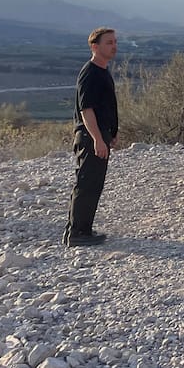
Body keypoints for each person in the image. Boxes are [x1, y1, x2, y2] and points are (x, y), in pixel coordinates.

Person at [63, 26, 120, 247]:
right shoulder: (90, 73)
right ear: (95, 47)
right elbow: (86, 110)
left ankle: (80, 229)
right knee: (87, 183)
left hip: (99, 135)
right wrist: (97, 138)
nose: (114, 46)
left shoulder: (102, 71)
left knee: (93, 183)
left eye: (115, 42)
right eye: (109, 43)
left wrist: (110, 134)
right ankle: (78, 233)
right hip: (89, 137)